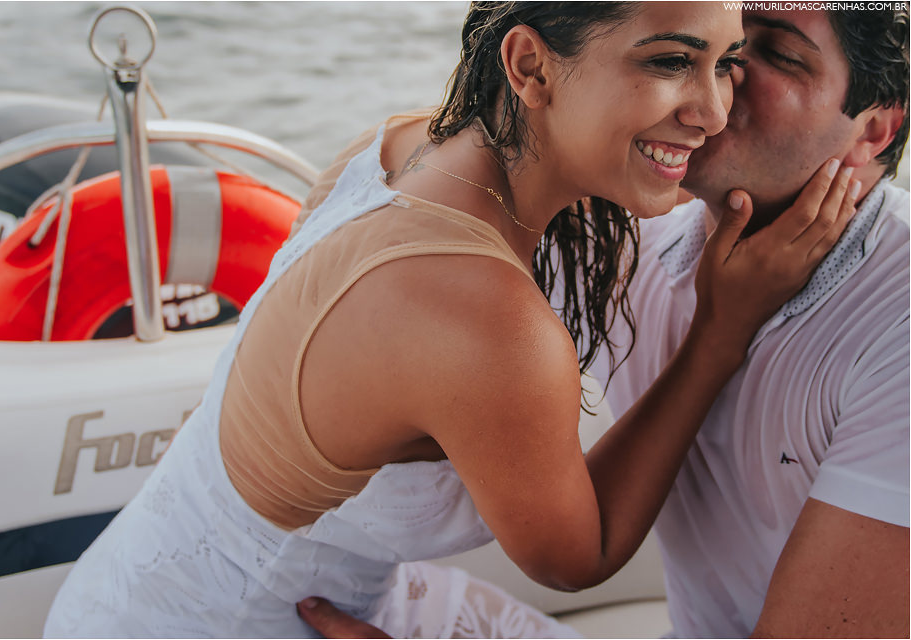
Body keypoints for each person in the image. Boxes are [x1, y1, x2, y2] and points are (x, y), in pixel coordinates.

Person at [44, 3, 858, 638]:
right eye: (673, 62)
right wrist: (719, 332)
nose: (716, 111)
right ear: (531, 64)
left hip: (140, 588)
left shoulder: (404, 146)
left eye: (730, 65)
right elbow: (583, 554)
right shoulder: (482, 321)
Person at [297, 6, 910, 639]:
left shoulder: (899, 322)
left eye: (777, 55)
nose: (719, 81)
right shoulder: (626, 237)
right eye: (727, 44)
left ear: (875, 130)